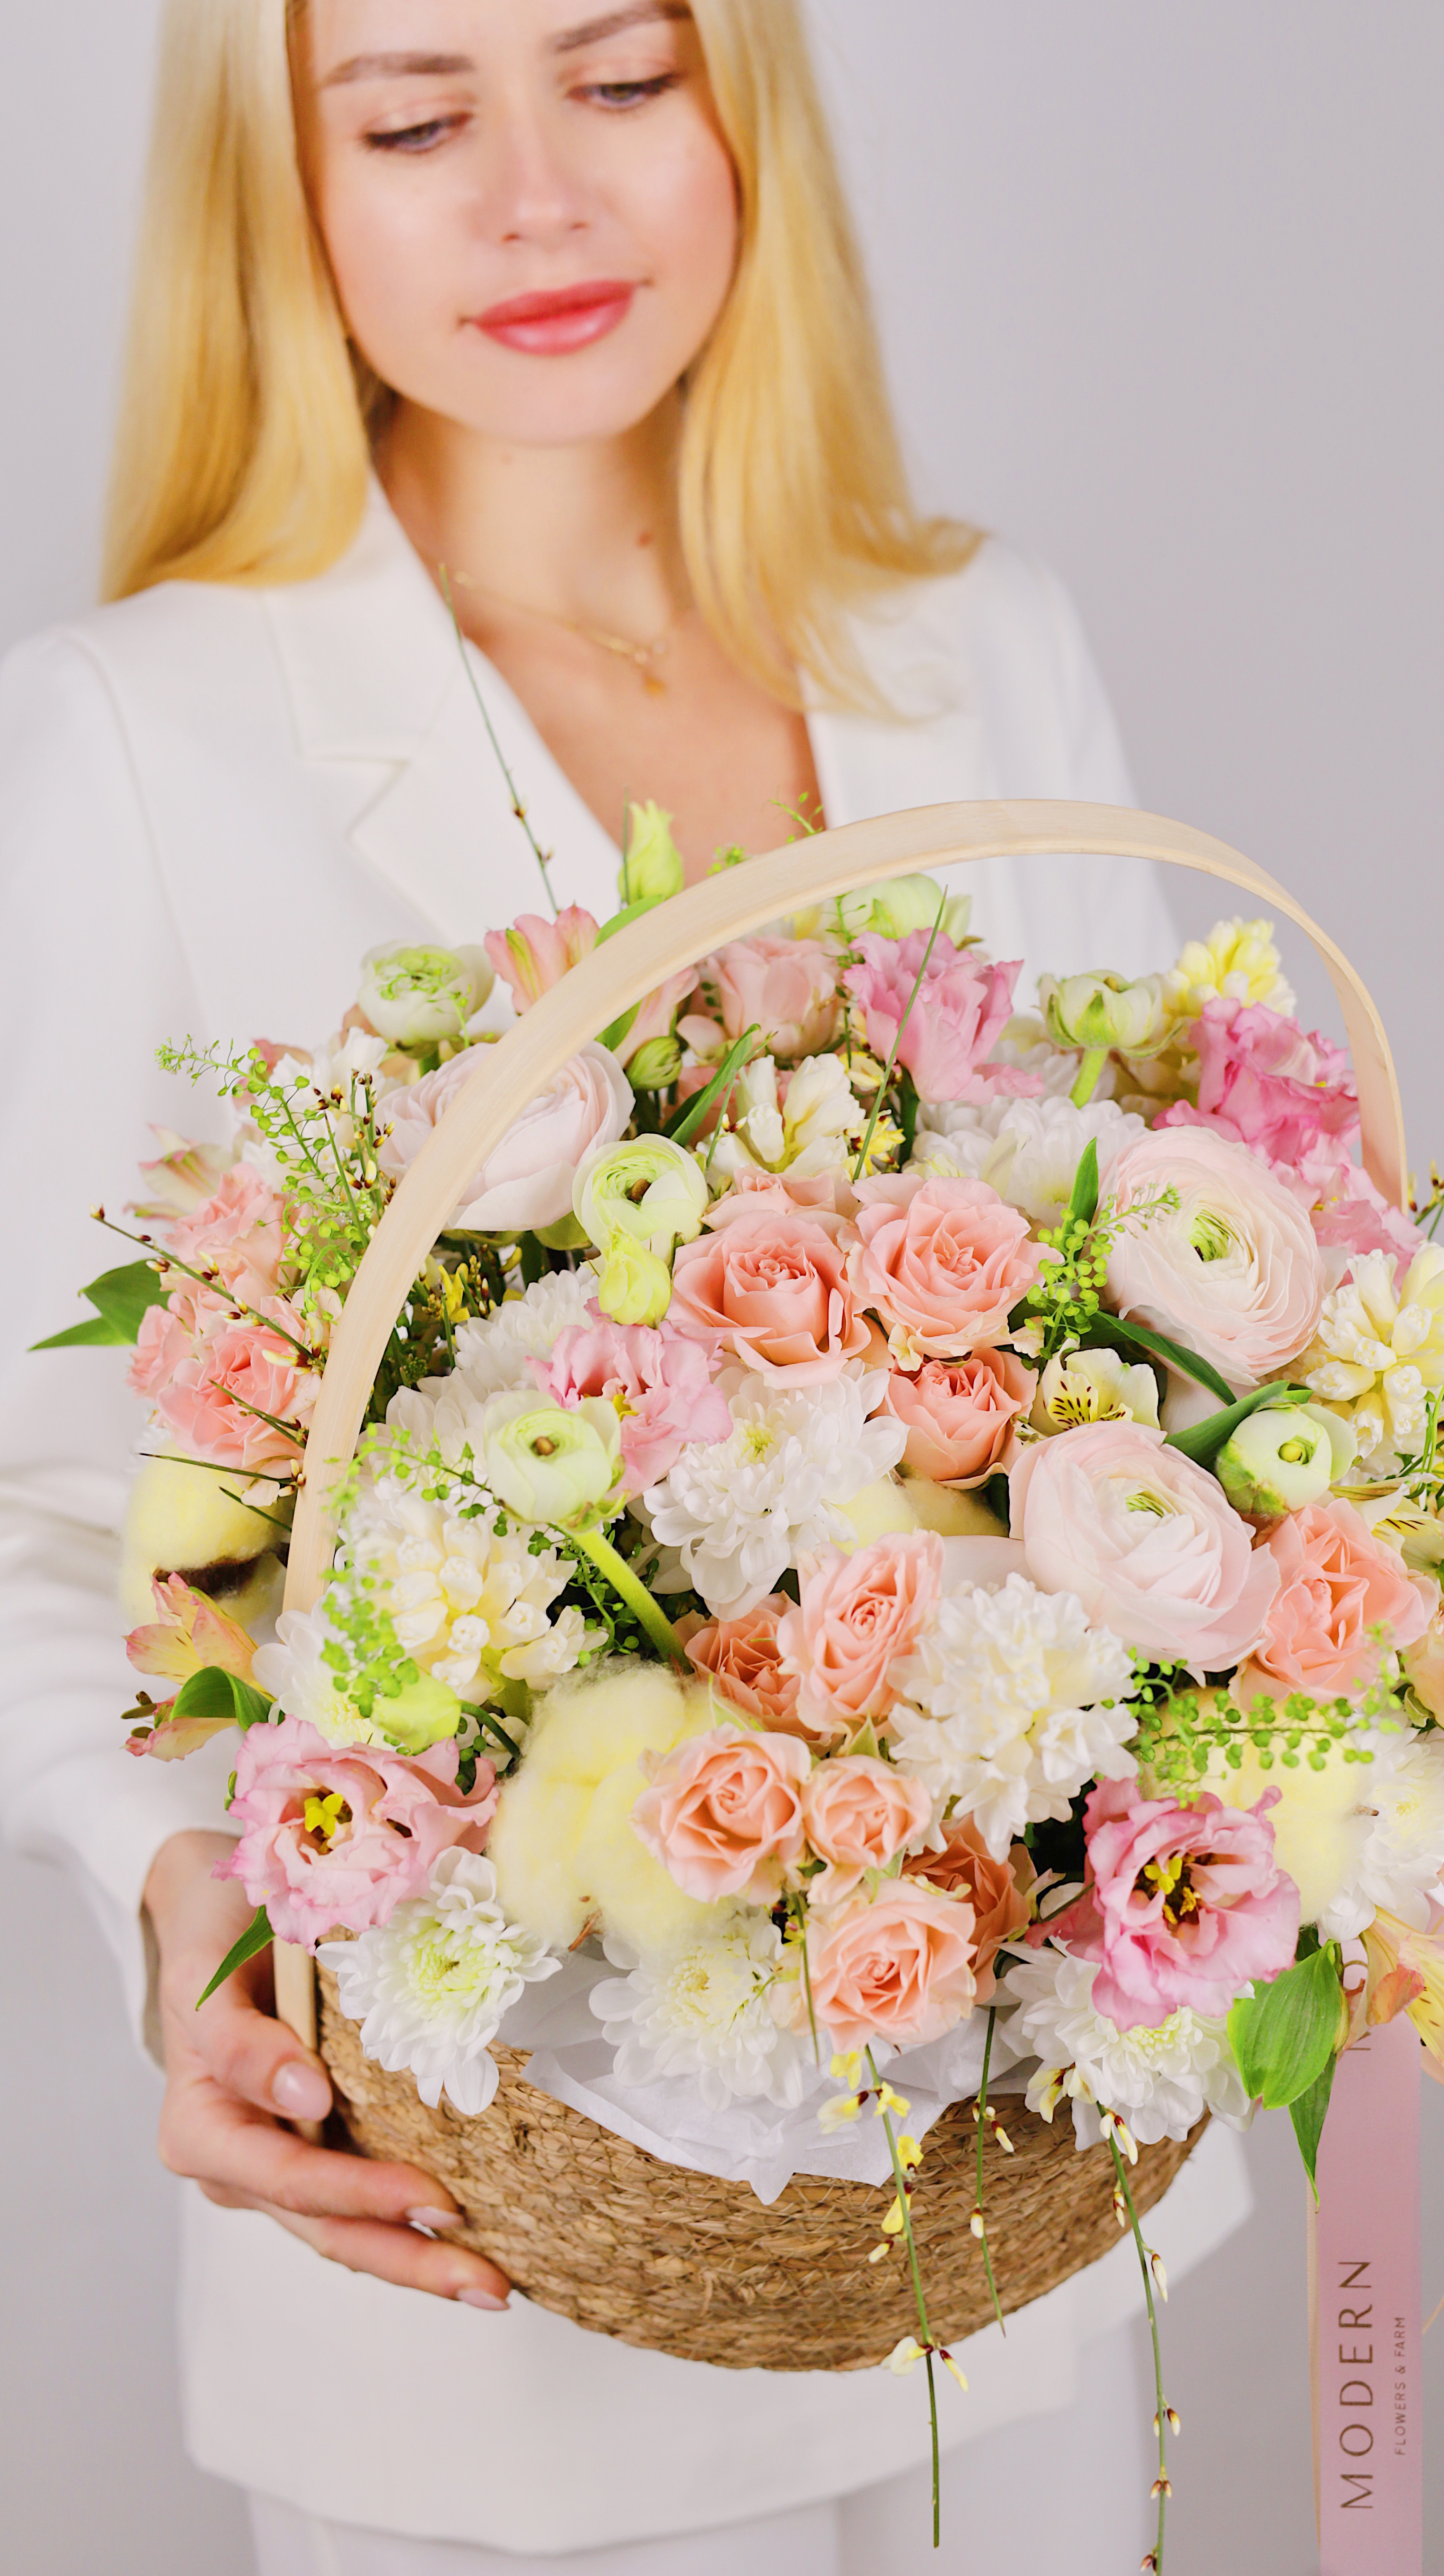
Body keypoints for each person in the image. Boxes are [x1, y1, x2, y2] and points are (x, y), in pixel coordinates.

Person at [0, 3, 1248, 2569]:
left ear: (739, 103)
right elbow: (42, 1506)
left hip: (1019, 2206)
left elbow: (1197, 1318)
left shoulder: (975, 639)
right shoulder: (130, 733)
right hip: (489, 2264)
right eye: (416, 118)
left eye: (619, 78)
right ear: (283, 185)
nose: (537, 198)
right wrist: (177, 1892)